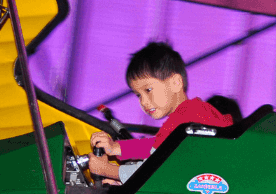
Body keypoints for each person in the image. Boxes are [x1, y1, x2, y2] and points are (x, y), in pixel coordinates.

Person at [88, 42, 233, 182]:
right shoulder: (194, 112)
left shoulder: (187, 119)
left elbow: (152, 172)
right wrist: (116, 148)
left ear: (176, 83)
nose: (143, 102)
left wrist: (107, 170)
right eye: (138, 95)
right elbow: (157, 146)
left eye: (148, 90)